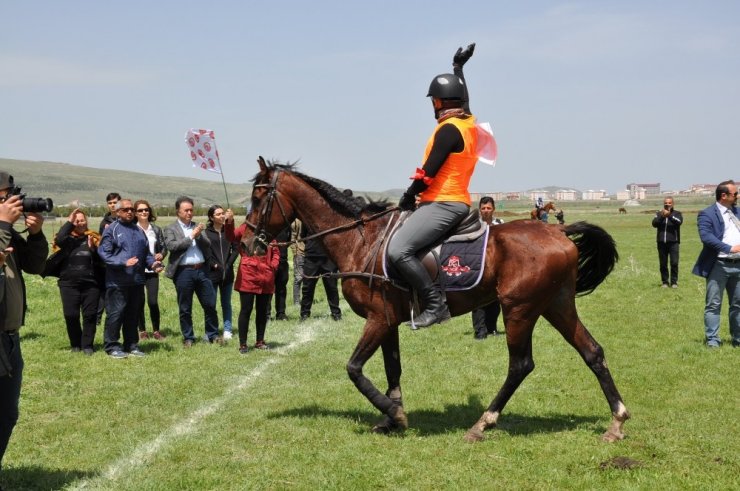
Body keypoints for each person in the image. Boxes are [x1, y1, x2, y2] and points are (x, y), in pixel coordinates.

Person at [386, 42, 478, 328]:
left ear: (437, 102)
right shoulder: (467, 124)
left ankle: (435, 305)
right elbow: (465, 101)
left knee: (397, 250)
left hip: (443, 201)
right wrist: (458, 69)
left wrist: (407, 196)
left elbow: (428, 172)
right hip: (454, 198)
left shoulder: (449, 130)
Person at [0, 172, 48, 481]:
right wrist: (4, 225)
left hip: (9, 340)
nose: (13, 202)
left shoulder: (6, 231)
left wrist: (36, 234)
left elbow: (34, 265)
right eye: (6, 197)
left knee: (6, 415)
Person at [98, 199, 163, 358]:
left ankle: (131, 344)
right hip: (117, 281)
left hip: (137, 280)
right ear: (118, 212)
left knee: (133, 314)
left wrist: (153, 264)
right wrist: (122, 262)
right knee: (116, 313)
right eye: (125, 209)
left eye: (131, 209)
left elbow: (146, 254)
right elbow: (104, 253)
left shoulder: (138, 230)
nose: (129, 212)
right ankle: (112, 346)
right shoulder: (112, 230)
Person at [163, 196, 220, 347]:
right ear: (178, 212)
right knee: (185, 308)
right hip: (183, 272)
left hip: (202, 270)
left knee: (210, 304)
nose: (189, 213)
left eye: (191, 210)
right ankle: (188, 337)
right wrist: (191, 236)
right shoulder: (170, 229)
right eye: (186, 210)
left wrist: (199, 234)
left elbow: (207, 245)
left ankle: (213, 335)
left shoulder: (197, 226)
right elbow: (172, 247)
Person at [692, 180, 740, 348]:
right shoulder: (707, 214)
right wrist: (730, 248)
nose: (738, 196)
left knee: (738, 304)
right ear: (724, 195)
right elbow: (706, 237)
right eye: (735, 194)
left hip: (738, 265)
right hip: (718, 265)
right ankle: (713, 340)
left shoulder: (738, 212)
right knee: (713, 304)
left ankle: (738, 340)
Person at [225, 209, 280, 353]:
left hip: (266, 276)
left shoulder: (269, 231)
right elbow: (230, 236)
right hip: (248, 276)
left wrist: (273, 266)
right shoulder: (245, 228)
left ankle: (260, 341)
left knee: (262, 311)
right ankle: (243, 344)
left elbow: (275, 252)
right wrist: (229, 221)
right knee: (246, 310)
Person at [54, 208, 104, 354]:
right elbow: (60, 239)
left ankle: (87, 345)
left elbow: (103, 259)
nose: (80, 223)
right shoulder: (66, 240)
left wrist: (93, 249)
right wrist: (69, 222)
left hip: (91, 284)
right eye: (76, 221)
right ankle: (75, 344)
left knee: (90, 315)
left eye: (82, 220)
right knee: (71, 315)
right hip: (68, 284)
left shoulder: (94, 237)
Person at [134, 199, 168, 340]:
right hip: (137, 271)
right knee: (139, 302)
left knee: (153, 302)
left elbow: (163, 247)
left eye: (146, 209)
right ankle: (142, 330)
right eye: (140, 210)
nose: (144, 212)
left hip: (153, 270)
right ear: (135, 213)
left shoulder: (156, 229)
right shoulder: (132, 229)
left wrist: (161, 254)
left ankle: (156, 330)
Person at [472, 197, 503, 340]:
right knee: (478, 299)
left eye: (488, 208)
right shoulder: (474, 225)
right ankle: (480, 332)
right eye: (483, 208)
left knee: (495, 299)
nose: (486, 211)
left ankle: (492, 328)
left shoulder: (500, 224)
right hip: (478, 265)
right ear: (480, 210)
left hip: (496, 266)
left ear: (493, 209)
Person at [204, 205, 238, 340]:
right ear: (211, 217)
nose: (222, 216)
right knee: (210, 304)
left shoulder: (228, 231)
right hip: (212, 273)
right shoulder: (206, 233)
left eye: (223, 213)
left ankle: (227, 330)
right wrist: (215, 265)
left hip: (227, 273)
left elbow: (236, 249)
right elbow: (206, 252)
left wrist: (228, 265)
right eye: (218, 214)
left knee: (226, 303)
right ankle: (210, 331)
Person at [300, 225, 341, 322]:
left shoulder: (328, 217)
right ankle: (304, 314)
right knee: (307, 287)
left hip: (328, 257)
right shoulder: (306, 219)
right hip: (311, 257)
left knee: (331, 287)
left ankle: (336, 313)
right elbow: (303, 236)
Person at [652, 196, 683, 288]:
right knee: (663, 263)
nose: (667, 204)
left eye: (669, 203)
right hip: (661, 242)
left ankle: (674, 282)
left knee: (674, 263)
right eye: (666, 202)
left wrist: (669, 215)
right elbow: (654, 223)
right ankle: (665, 282)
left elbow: (679, 222)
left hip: (674, 242)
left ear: (673, 204)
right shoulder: (659, 213)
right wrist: (662, 216)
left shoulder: (677, 213)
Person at [272, 226, 291, 321]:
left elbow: (289, 241)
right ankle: (266, 314)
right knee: (268, 289)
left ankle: (281, 313)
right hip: (270, 263)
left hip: (283, 261)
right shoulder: (269, 226)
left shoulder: (286, 227)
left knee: (282, 289)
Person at [291, 220, 305, 306]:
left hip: (311, 252)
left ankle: (306, 300)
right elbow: (293, 238)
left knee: (309, 280)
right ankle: (296, 301)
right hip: (299, 253)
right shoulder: (296, 221)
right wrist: (295, 251)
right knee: (298, 278)